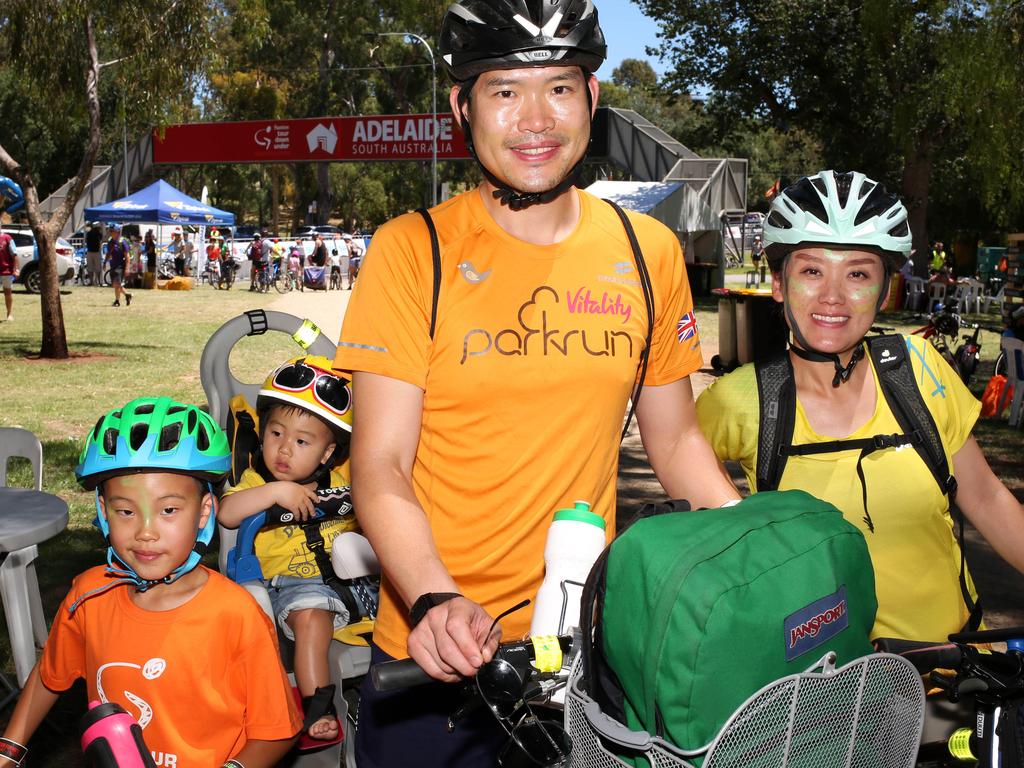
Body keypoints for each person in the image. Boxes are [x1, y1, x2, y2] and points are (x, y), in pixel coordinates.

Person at [334, 2, 739, 764]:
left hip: (592, 652)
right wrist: (432, 597)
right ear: (462, 106)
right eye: (503, 91)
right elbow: (380, 463)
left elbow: (678, 440)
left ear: (591, 99)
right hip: (437, 653)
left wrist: (753, 547)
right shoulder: (411, 250)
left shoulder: (645, 249)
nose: (535, 119)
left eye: (558, 87)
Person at [696, 170, 1024, 644]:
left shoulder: (919, 372)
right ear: (778, 285)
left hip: (957, 676)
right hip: (821, 695)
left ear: (883, 288)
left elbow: (989, 500)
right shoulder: (742, 399)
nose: (833, 296)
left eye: (857, 274)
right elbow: (677, 466)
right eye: (811, 271)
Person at [1, 397, 301, 767]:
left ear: (204, 511)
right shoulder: (88, 596)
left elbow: (277, 731)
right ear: (103, 512)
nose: (145, 532)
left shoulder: (235, 614)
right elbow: (50, 676)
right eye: (125, 511)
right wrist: (9, 750)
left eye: (169, 510)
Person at [218, 356, 368, 746]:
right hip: (294, 584)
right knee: (312, 618)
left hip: (363, 579)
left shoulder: (344, 475)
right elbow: (228, 514)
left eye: (301, 441)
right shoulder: (255, 480)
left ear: (326, 452)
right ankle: (316, 706)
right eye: (275, 434)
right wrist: (275, 492)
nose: (284, 450)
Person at [105, 223, 132, 307]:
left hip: (120, 266)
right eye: (110, 230)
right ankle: (127, 295)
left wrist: (127, 268)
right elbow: (108, 253)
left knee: (117, 284)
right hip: (113, 265)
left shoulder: (122, 242)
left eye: (112, 231)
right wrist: (104, 262)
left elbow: (127, 256)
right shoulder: (110, 241)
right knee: (115, 284)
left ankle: (117, 301)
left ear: (117, 232)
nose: (110, 232)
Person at [0, 222, 16, 322]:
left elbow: (14, 254)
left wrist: (15, 269)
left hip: (6, 271)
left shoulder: (7, 238)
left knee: (7, 292)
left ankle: (9, 314)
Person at [85, 222, 103, 286]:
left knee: (90, 268)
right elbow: (100, 240)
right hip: (96, 252)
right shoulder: (99, 233)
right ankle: (98, 281)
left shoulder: (89, 233)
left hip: (90, 251)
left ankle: (92, 281)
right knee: (97, 267)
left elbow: (86, 241)